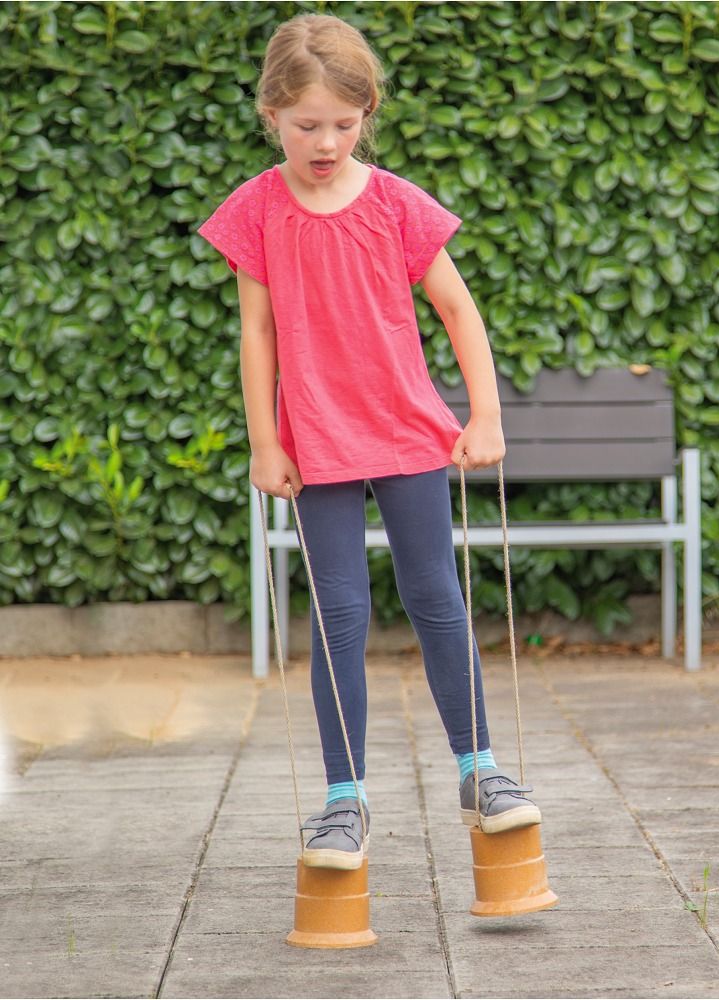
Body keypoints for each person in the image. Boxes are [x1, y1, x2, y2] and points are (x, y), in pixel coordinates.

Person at [196, 13, 541, 870]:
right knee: (340, 614)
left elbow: (459, 310)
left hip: (410, 433)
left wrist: (486, 415)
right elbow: (259, 337)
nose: (325, 142)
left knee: (436, 599)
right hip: (314, 442)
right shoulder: (256, 210)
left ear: (368, 113)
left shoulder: (394, 203)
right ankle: (344, 798)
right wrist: (263, 443)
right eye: (307, 124)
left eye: (344, 125)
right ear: (271, 112)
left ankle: (480, 769)